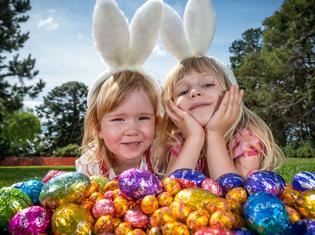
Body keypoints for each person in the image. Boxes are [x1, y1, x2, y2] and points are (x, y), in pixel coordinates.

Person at [155, 0, 284, 179]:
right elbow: (170, 191)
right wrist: (194, 138)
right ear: (172, 107)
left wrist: (214, 134)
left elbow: (235, 194)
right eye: (183, 92)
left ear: (231, 94)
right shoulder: (180, 140)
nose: (194, 93)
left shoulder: (244, 137)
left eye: (207, 84)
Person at [76, 0, 163, 179]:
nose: (132, 129)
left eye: (143, 117)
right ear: (98, 127)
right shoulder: (90, 166)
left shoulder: (162, 158)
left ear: (156, 121)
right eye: (118, 119)